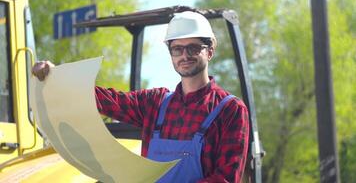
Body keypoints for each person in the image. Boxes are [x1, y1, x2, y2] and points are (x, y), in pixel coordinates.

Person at [32, 11, 249, 183]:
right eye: (177, 49)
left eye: (193, 48)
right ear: (170, 54)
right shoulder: (155, 103)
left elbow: (227, 178)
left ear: (209, 51)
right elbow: (107, 100)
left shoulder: (230, 111)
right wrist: (57, 76)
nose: (184, 55)